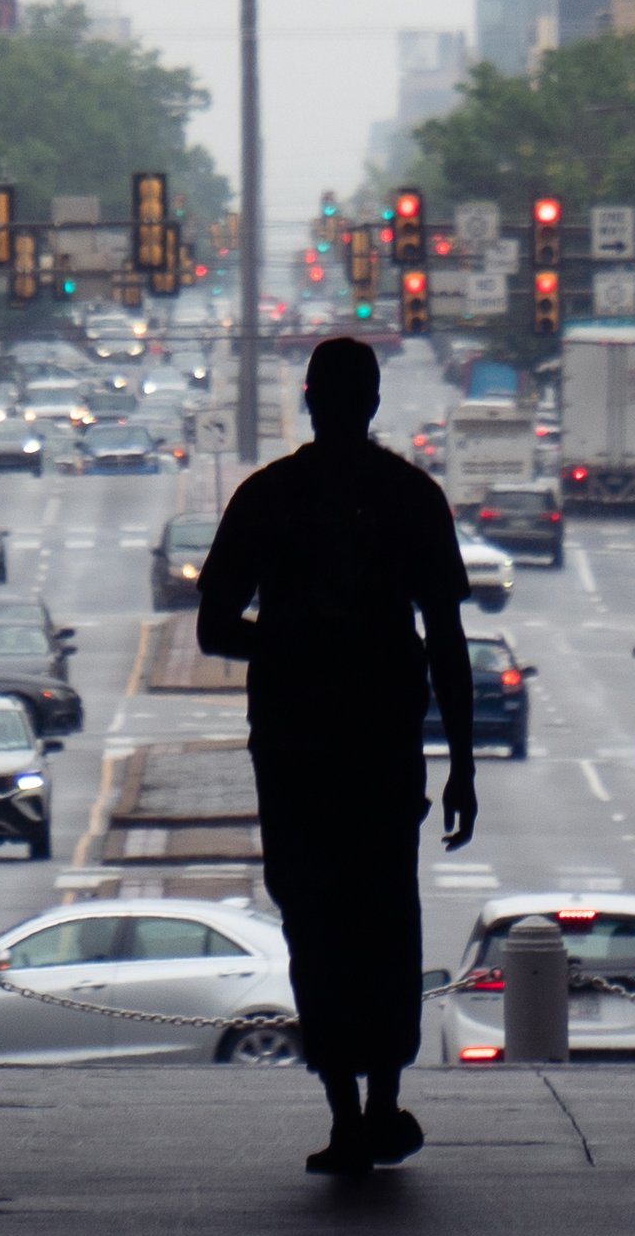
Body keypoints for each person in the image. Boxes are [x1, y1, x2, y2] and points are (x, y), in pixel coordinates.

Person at [197, 335, 476, 1174]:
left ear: (309, 399)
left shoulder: (266, 497)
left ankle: (345, 1112)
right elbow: (449, 641)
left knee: (315, 926)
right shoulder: (413, 497)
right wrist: (462, 760)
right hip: (385, 746)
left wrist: (288, 645)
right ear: (376, 402)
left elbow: (214, 627)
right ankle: (385, 1099)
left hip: (293, 748)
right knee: (388, 918)